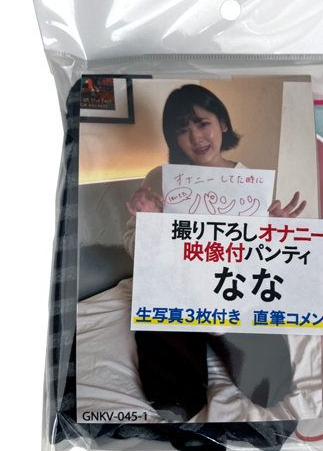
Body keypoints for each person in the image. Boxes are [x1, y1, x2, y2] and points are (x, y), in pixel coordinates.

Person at [124, 84, 306, 423]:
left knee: (271, 385)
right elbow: (137, 252)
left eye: (202, 123)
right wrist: (151, 224)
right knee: (173, 395)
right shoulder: (159, 179)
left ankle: (225, 345)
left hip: (231, 292)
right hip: (175, 292)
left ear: (222, 123)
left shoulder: (251, 184)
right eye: (182, 129)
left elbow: (264, 262)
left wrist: (276, 233)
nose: (195, 137)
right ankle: (189, 419)